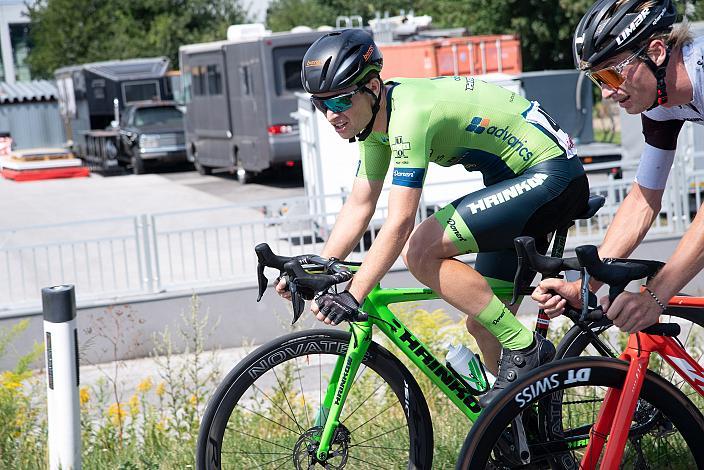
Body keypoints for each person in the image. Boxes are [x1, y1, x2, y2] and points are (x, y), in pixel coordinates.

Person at [279, 28, 589, 405]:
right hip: (517, 179)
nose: (330, 115)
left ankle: (526, 346)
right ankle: (530, 442)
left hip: (551, 175)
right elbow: (361, 205)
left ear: (373, 87)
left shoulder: (408, 115)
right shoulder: (374, 128)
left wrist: (355, 292)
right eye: (320, 104)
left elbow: (399, 222)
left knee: (421, 250)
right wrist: (320, 268)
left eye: (340, 102)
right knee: (484, 324)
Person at [534, 0, 701, 333]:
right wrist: (586, 285)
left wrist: (656, 296)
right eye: (599, 80)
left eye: (611, 73)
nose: (607, 94)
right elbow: (642, 201)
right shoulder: (659, 101)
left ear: (655, 53)